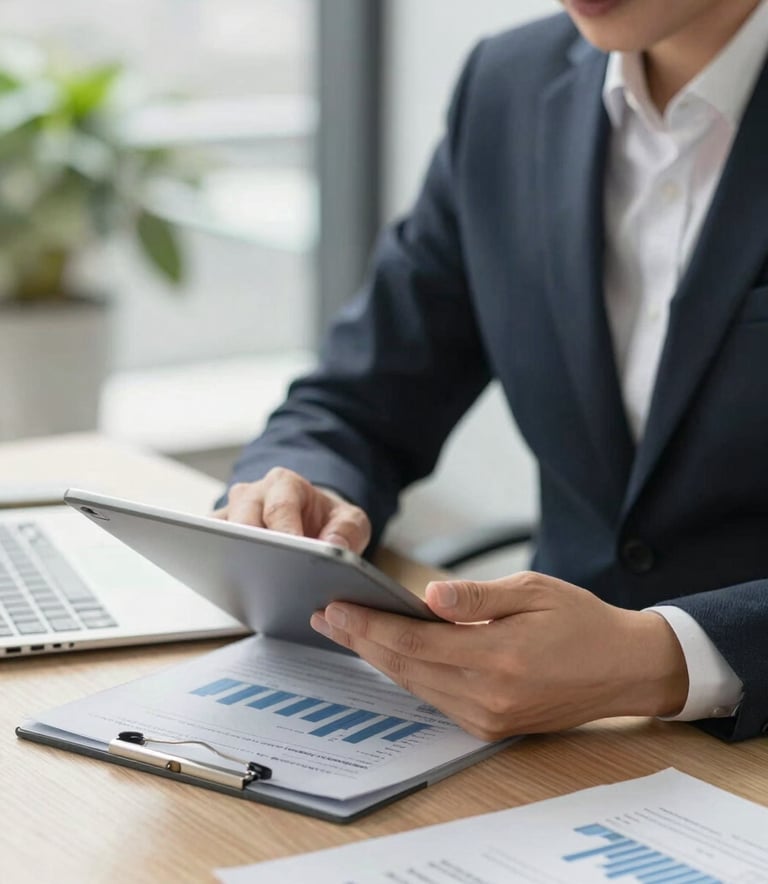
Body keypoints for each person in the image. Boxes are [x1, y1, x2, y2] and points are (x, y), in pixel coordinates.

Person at [215, 0, 768, 743]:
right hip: (546, 745)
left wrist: (661, 658)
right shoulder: (509, 84)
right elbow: (363, 391)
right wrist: (308, 487)